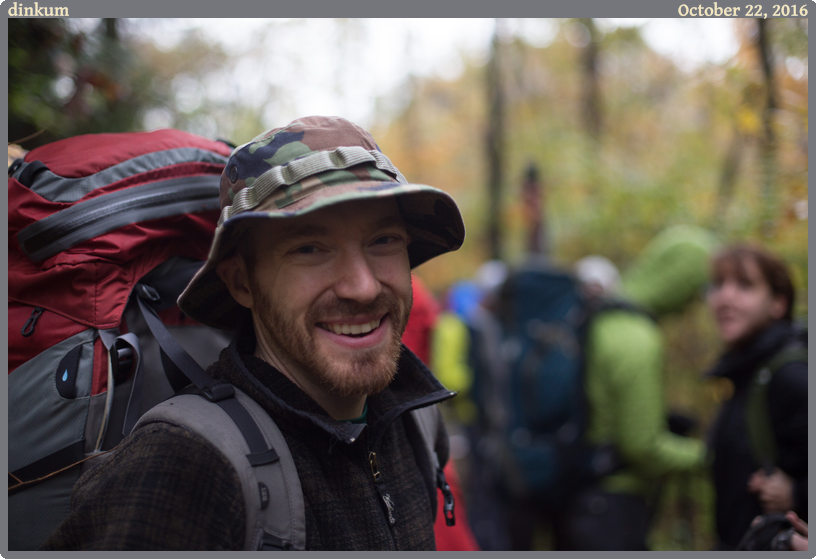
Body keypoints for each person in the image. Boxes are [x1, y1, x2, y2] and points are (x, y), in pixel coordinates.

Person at [42, 115, 466, 550]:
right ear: (242, 282)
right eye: (310, 248)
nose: (362, 287)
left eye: (383, 240)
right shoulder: (184, 468)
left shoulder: (414, 421)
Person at [553, 225, 716, 550]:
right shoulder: (636, 336)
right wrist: (708, 457)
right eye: (694, 291)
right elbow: (641, 447)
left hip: (580, 496)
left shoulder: (605, 317)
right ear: (677, 281)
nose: (691, 306)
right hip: (613, 503)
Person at [704, 243, 807, 550]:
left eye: (744, 286)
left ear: (778, 303)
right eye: (719, 285)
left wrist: (799, 494)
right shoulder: (747, 374)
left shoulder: (788, 376)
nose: (725, 297)